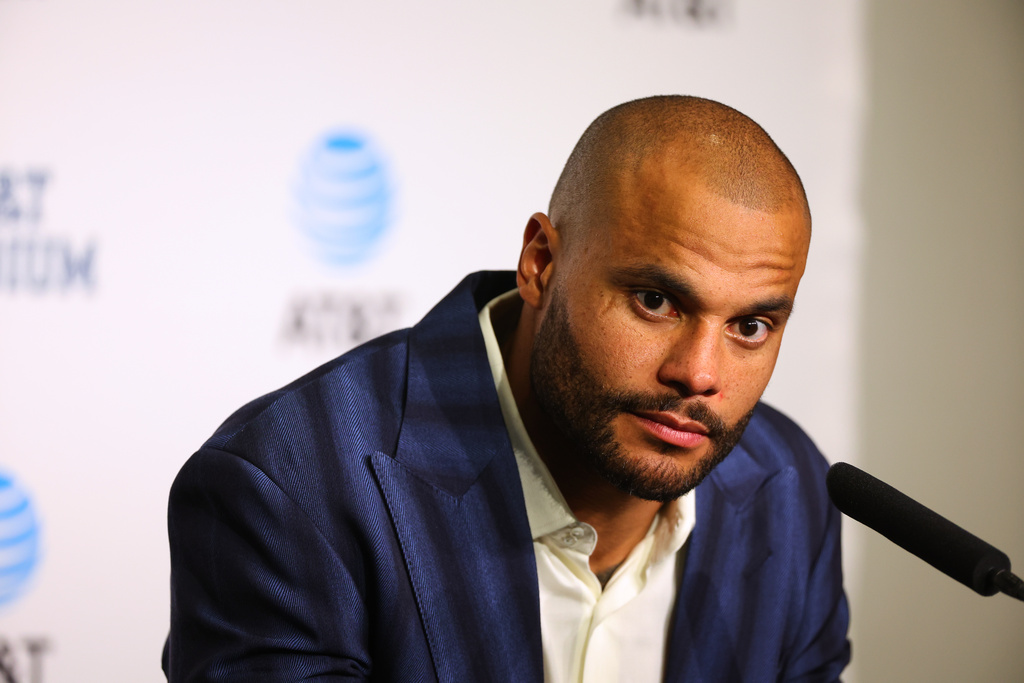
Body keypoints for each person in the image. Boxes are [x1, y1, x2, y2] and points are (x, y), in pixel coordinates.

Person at [164, 95, 850, 682]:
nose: (700, 374)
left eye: (752, 325)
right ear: (541, 264)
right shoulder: (290, 490)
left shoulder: (790, 494)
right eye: (654, 300)